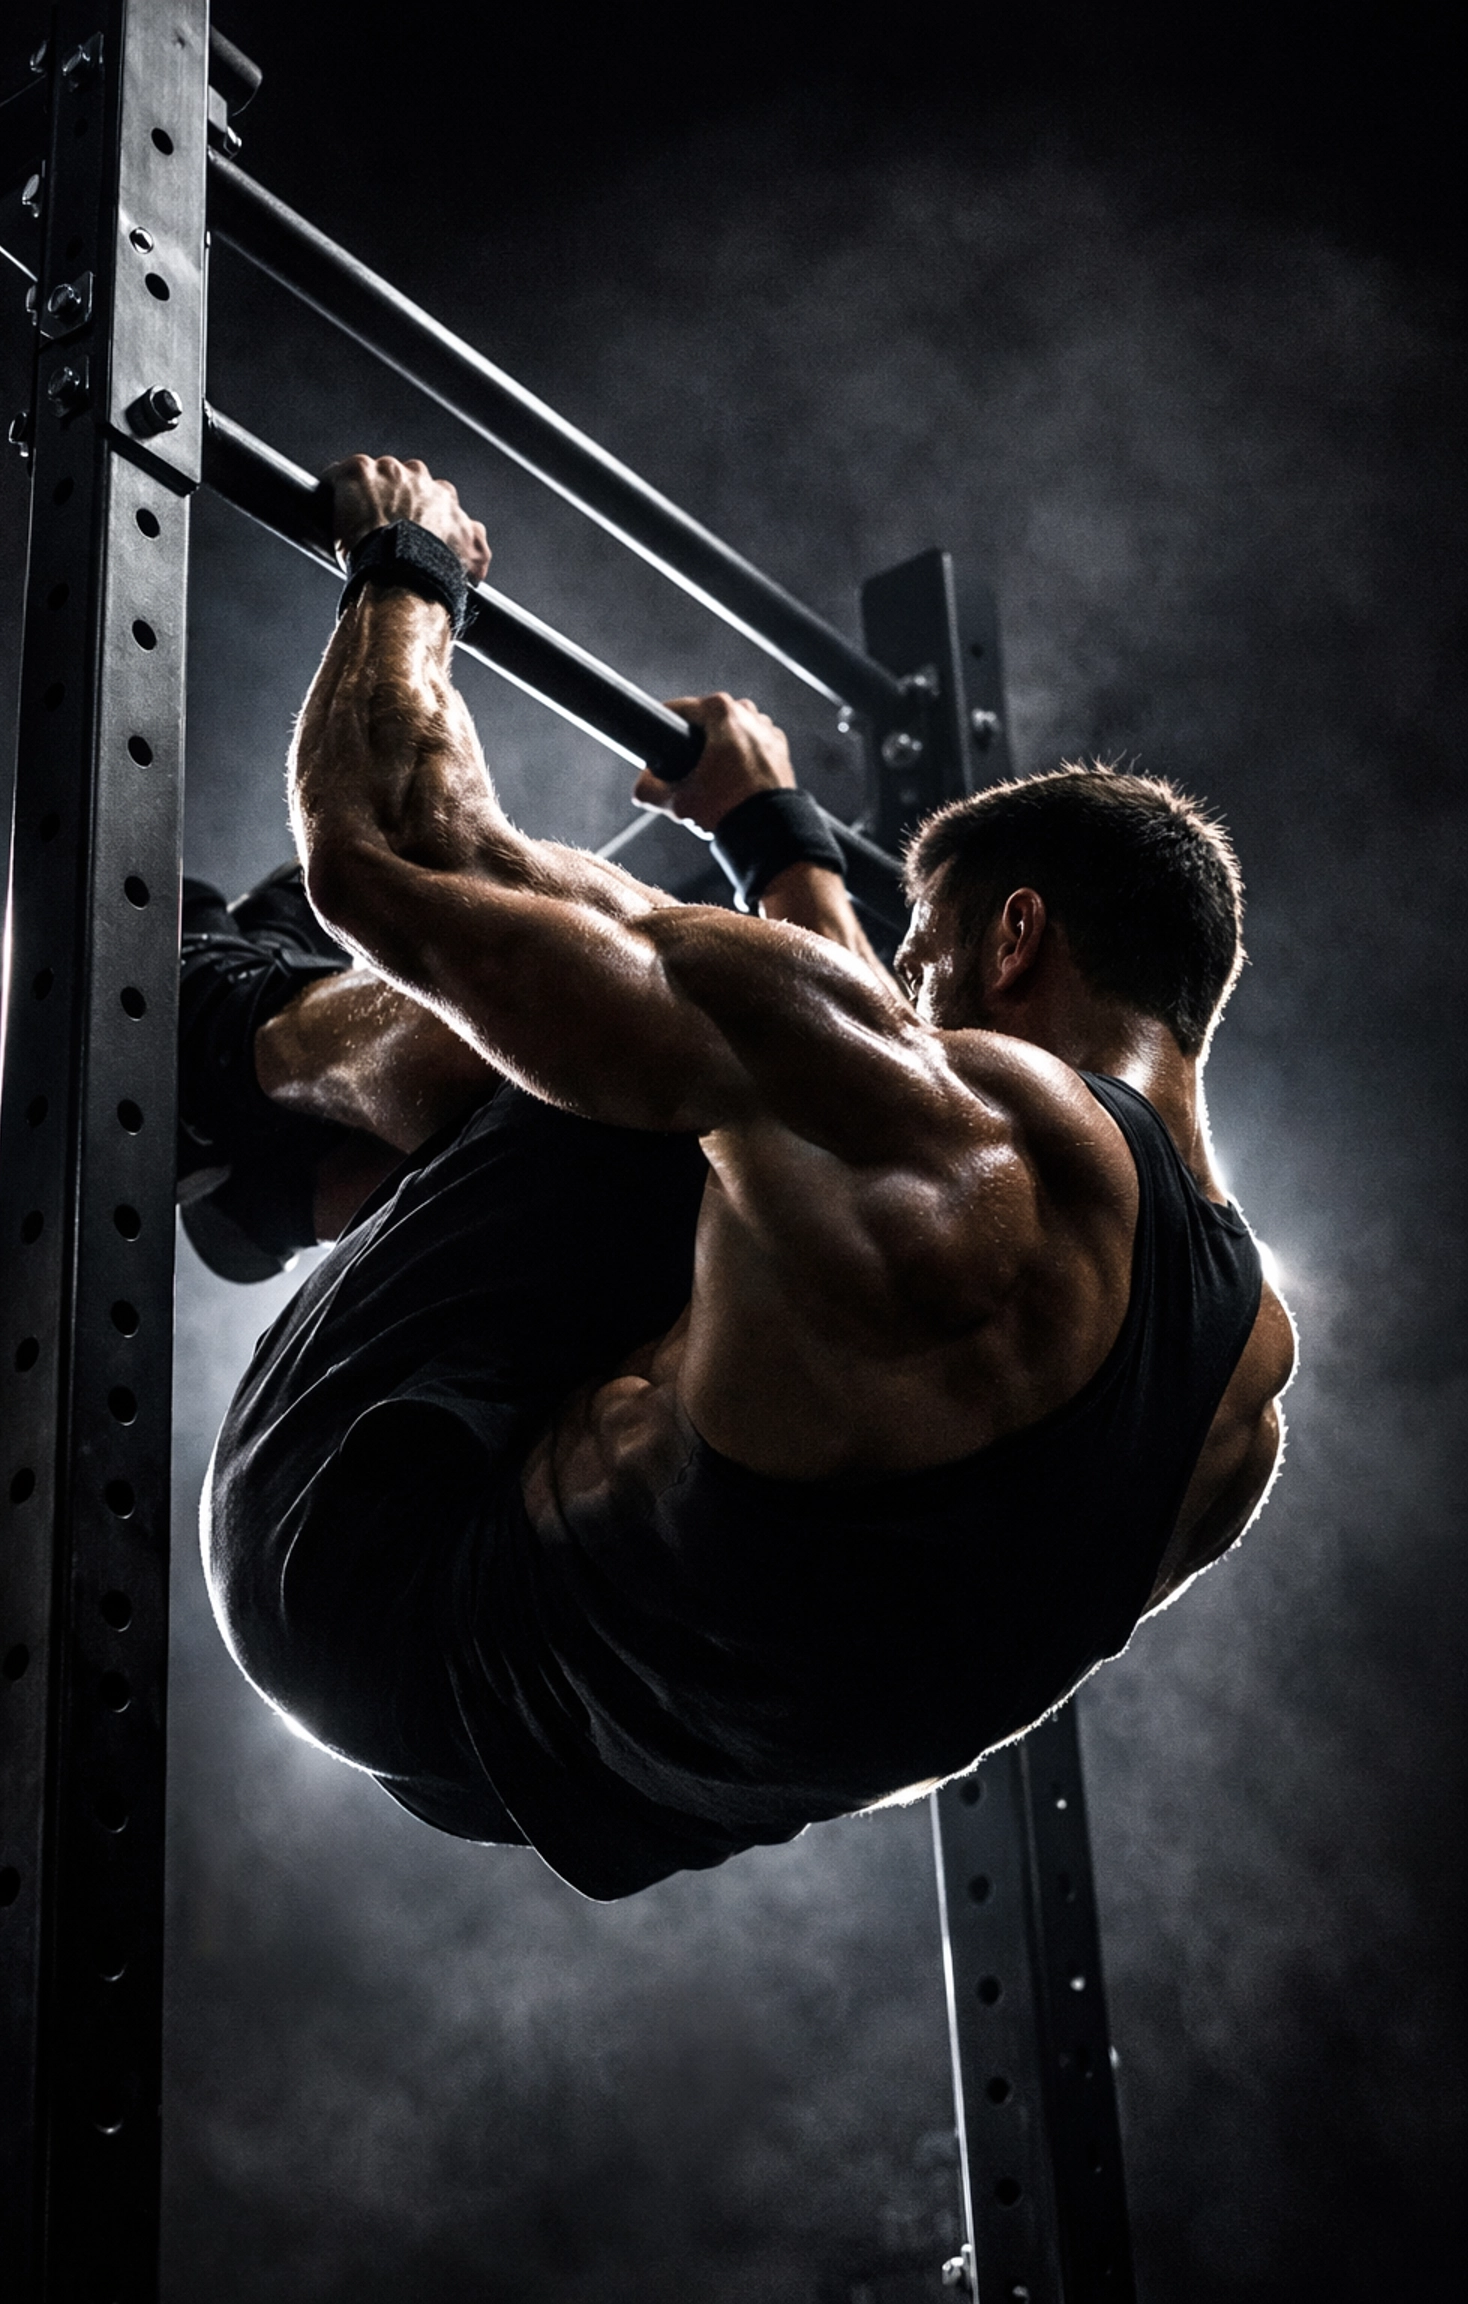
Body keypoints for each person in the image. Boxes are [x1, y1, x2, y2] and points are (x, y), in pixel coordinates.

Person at [192, 454, 1295, 1900]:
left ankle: (223, 1030)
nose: (898, 1001)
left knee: (605, 1041)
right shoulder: (1242, 1396)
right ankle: (291, 1181)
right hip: (577, 1778)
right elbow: (878, 1106)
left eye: (926, 962)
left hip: (353, 1571)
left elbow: (400, 859)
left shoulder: (954, 1149)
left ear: (1016, 939)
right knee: (744, 1115)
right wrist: (772, 838)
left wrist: (408, 567)